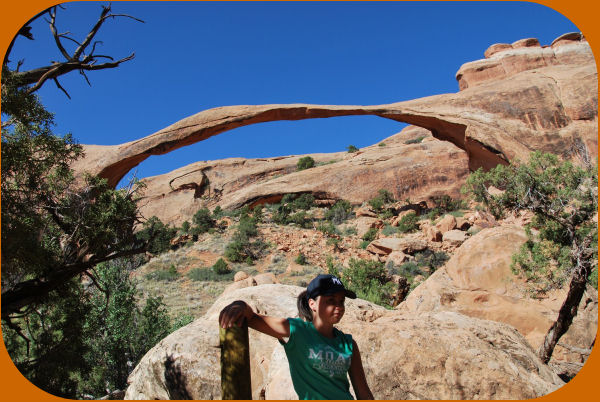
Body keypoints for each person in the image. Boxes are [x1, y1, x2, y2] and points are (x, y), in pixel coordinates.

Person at [219, 274, 374, 400]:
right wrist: (239, 305)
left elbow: (363, 393)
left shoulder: (348, 343)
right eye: (331, 301)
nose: (339, 307)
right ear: (312, 304)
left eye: (341, 301)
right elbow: (253, 318)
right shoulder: (296, 330)